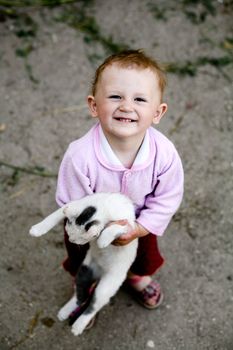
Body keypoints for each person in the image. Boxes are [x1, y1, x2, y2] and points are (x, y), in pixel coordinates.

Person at [56, 49, 184, 310]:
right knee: (86, 261)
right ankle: (86, 286)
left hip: (138, 222)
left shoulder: (165, 154)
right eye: (115, 96)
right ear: (94, 105)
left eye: (139, 99)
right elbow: (73, 203)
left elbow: (168, 197)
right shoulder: (80, 156)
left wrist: (140, 228)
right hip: (88, 229)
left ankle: (135, 275)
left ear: (158, 113)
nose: (127, 106)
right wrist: (98, 230)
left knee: (143, 254)